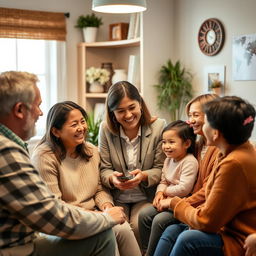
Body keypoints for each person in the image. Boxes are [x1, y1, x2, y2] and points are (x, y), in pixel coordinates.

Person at [0, 71, 126, 256]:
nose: (40, 113)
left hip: (27, 238)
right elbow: (53, 216)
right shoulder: (7, 151)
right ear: (19, 110)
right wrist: (106, 218)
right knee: (104, 234)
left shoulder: (89, 150)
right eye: (37, 106)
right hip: (15, 249)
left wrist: (105, 208)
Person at [31, 100, 141, 256]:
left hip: (94, 215)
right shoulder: (44, 157)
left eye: (82, 121)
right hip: (66, 221)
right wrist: (101, 216)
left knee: (122, 228)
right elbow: (55, 206)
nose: (81, 128)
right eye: (74, 124)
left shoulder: (91, 150)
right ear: (56, 131)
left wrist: (107, 207)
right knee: (107, 233)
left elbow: (98, 189)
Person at [154, 96, 256, 256]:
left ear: (215, 133)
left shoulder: (234, 163)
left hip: (237, 239)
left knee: (188, 239)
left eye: (206, 120)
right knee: (173, 230)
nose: (190, 123)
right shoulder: (232, 152)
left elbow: (207, 221)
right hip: (224, 228)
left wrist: (176, 203)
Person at [138, 94, 219, 255]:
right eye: (189, 116)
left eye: (195, 115)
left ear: (212, 116)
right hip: (186, 203)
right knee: (147, 216)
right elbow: (176, 135)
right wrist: (160, 192)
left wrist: (173, 202)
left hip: (194, 206)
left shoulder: (216, 151)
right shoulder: (197, 146)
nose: (190, 120)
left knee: (162, 222)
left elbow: (205, 192)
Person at [99, 81, 166, 244]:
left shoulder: (159, 127)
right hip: (117, 196)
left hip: (145, 195)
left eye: (132, 107)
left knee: (137, 227)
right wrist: (111, 179)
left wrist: (143, 176)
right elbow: (104, 169)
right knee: (118, 228)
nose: (128, 115)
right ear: (112, 112)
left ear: (140, 105)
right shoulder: (105, 129)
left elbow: (161, 168)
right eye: (121, 111)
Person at [138, 120, 198, 256]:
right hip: (166, 199)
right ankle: (146, 250)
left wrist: (165, 192)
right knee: (144, 215)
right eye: (164, 142)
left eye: (171, 142)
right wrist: (159, 193)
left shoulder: (189, 162)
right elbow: (163, 180)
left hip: (180, 203)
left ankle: (151, 253)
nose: (166, 146)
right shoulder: (168, 160)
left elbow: (184, 189)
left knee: (160, 220)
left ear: (187, 144)